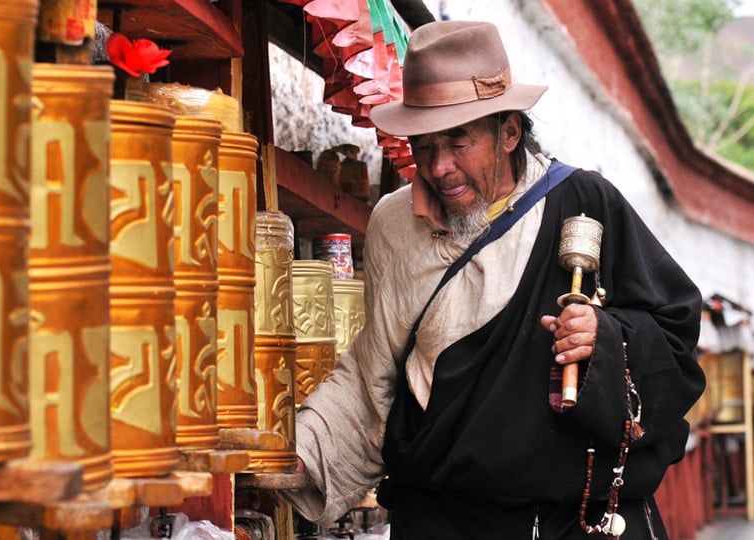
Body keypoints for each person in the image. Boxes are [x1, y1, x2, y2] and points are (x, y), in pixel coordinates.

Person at [284, 20, 705, 539]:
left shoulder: (584, 204)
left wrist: (606, 340)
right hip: (442, 521)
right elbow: (373, 380)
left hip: (568, 524)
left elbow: (676, 337)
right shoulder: (395, 226)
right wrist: (300, 454)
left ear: (508, 132)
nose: (439, 168)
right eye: (424, 146)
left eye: (458, 142)